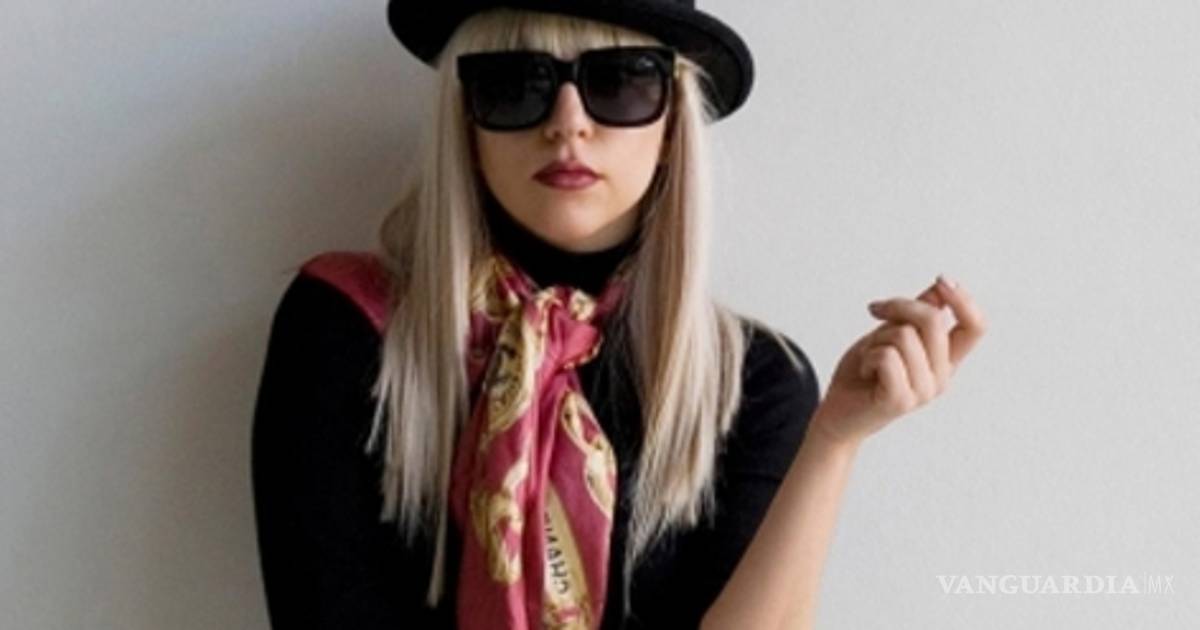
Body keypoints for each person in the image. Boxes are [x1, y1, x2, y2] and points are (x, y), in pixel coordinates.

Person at [250, 2, 988, 629]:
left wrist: (834, 439)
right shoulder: (350, 328)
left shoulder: (750, 379)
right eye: (515, 85)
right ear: (466, 126)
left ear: (671, 126)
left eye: (622, 80)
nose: (568, 124)